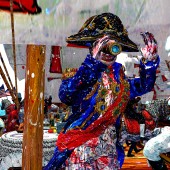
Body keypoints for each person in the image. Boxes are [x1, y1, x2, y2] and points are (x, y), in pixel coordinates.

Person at [44, 12, 160, 169]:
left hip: (108, 149)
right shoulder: (82, 75)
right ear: (92, 45)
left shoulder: (120, 79)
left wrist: (149, 63)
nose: (108, 51)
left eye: (113, 46)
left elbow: (143, 86)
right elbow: (66, 95)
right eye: (103, 44)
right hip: (81, 148)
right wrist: (92, 62)